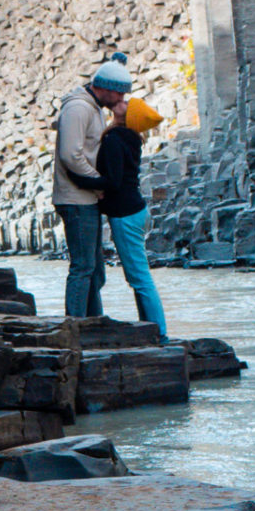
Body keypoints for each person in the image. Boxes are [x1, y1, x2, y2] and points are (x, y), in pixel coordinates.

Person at [51, 54, 132, 319]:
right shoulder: (78, 108)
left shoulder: (94, 106)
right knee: (83, 267)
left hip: (86, 197)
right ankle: (75, 324)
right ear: (105, 89)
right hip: (76, 199)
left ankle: (94, 321)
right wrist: (98, 182)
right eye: (119, 95)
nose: (122, 101)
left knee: (95, 268)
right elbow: (70, 155)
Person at [96, 94, 167, 336]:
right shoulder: (131, 138)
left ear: (130, 115)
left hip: (125, 214)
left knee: (140, 278)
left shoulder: (115, 139)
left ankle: (160, 333)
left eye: (127, 104)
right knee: (139, 277)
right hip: (134, 210)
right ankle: (151, 328)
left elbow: (113, 181)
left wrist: (85, 182)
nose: (121, 101)